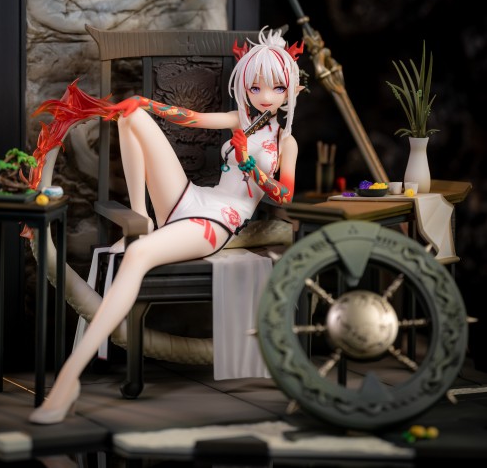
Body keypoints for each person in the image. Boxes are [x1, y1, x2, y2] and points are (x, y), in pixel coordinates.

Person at [29, 26, 304, 424]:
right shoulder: (239, 119)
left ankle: (69, 378)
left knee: (139, 254)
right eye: (256, 87)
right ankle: (140, 217)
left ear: (290, 91)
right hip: (191, 198)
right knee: (131, 115)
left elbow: (284, 195)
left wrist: (251, 168)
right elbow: (192, 118)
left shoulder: (284, 143)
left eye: (276, 88)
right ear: (245, 87)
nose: (265, 96)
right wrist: (148, 103)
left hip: (217, 221)